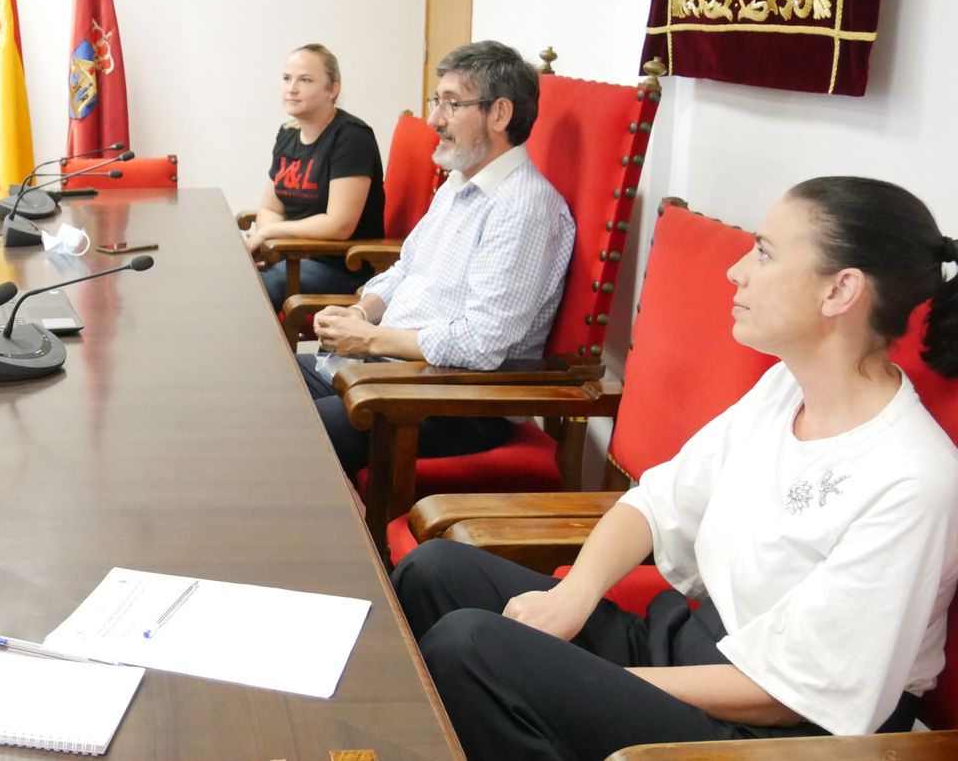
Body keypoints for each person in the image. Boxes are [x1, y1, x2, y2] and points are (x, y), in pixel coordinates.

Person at [391, 176, 958, 760]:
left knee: (473, 649)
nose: (737, 271)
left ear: (841, 290)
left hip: (770, 731)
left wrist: (580, 677)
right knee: (436, 572)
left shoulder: (912, 479)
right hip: (693, 649)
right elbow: (658, 501)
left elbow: (792, 695)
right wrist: (575, 595)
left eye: (763, 253)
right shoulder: (786, 387)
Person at [300, 41, 574, 478]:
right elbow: (406, 269)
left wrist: (369, 340)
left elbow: (482, 343)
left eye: (451, 104)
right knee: (264, 392)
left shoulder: (523, 207)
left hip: (450, 400)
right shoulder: (457, 184)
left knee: (290, 436)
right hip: (392, 369)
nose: (434, 120)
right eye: (436, 101)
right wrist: (359, 313)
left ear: (499, 114)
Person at [246, 44, 386, 309]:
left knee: (251, 289)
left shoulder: (352, 137)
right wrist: (267, 245)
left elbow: (339, 224)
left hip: (341, 266)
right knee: (234, 275)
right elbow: (270, 206)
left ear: (332, 90)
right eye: (287, 78)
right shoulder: (287, 133)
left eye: (305, 80)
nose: (292, 88)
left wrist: (270, 235)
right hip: (291, 258)